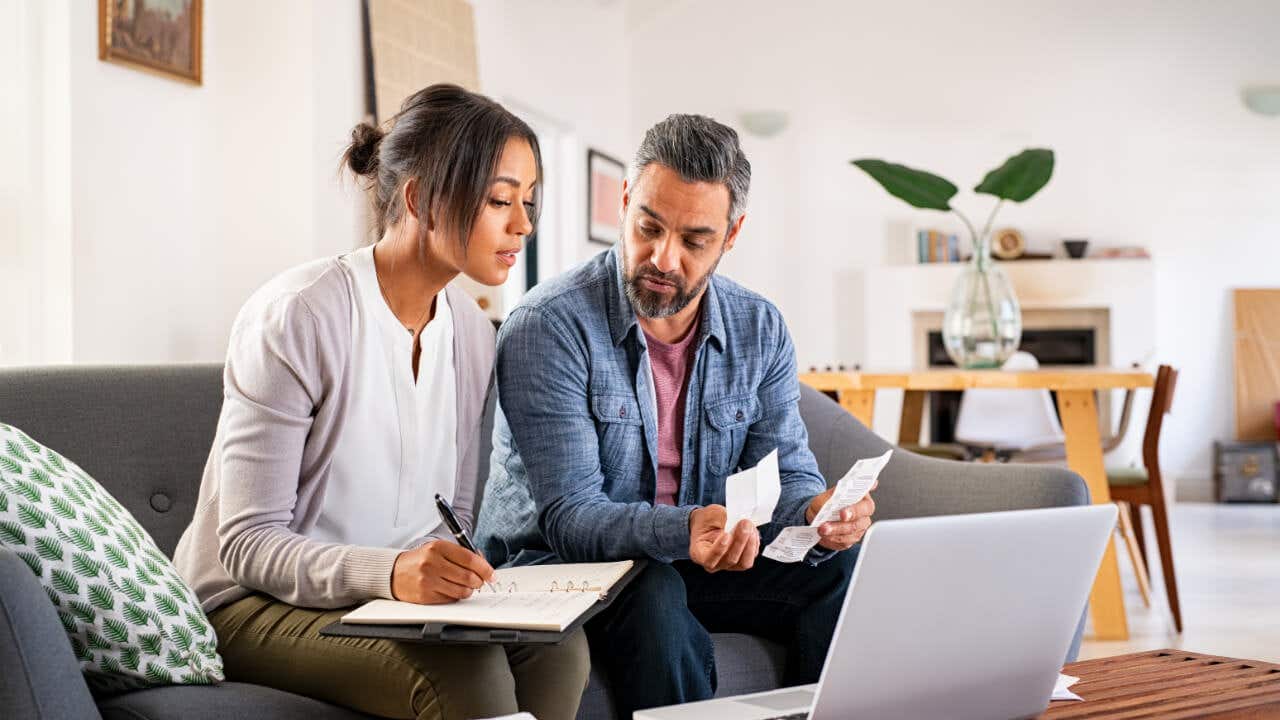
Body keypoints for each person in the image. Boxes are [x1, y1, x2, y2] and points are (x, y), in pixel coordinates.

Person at [173, 84, 590, 720]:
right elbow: (249, 543)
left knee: (560, 649)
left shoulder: (475, 335)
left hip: (386, 601)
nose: (523, 225)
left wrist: (457, 576)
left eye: (528, 202)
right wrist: (391, 573)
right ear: (419, 197)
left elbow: (455, 513)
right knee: (467, 675)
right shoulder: (299, 315)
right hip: (250, 604)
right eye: (500, 200)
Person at [475, 113, 877, 717]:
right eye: (649, 227)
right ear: (626, 201)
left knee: (841, 569)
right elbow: (568, 517)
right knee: (655, 589)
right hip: (558, 568)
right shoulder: (549, 326)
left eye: (694, 241)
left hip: (692, 555)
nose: (663, 258)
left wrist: (819, 512)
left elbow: (788, 474)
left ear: (731, 234)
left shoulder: (759, 327)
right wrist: (687, 530)